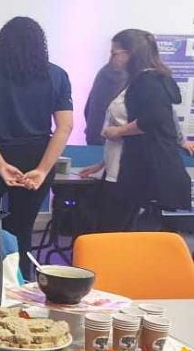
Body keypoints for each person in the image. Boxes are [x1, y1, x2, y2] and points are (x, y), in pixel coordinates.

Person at [0, 17, 73, 278]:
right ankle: (20, 285)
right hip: (37, 155)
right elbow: (65, 127)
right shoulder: (57, 75)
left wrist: (0, 165)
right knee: (22, 230)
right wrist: (43, 169)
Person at [80, 29, 193, 230]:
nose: (111, 59)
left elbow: (155, 119)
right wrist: (103, 163)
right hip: (124, 167)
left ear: (130, 54)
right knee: (112, 229)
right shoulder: (140, 81)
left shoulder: (148, 81)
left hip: (137, 172)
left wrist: (118, 131)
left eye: (114, 53)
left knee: (115, 232)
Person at [82, 61, 128, 146]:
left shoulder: (105, 72)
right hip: (111, 140)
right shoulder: (114, 74)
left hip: (97, 136)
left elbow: (88, 108)